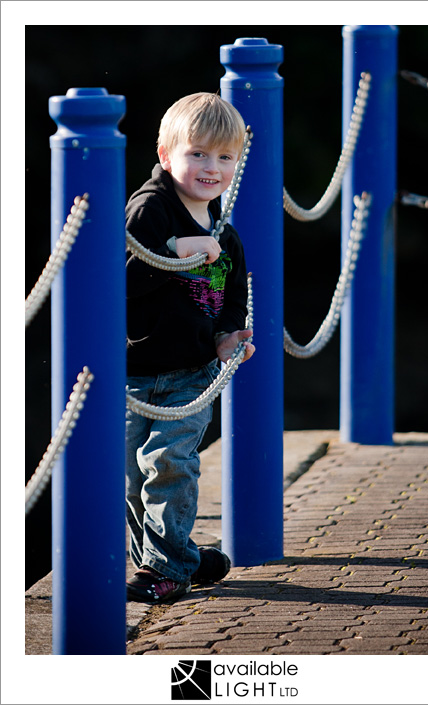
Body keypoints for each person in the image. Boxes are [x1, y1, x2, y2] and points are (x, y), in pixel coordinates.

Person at [125, 92, 255, 604]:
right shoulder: (150, 211)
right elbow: (117, 282)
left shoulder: (226, 232)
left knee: (170, 463)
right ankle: (183, 559)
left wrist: (227, 337)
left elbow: (230, 300)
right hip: (132, 371)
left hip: (190, 374)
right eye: (198, 153)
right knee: (130, 477)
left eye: (225, 157)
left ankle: (167, 571)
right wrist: (170, 252)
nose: (211, 167)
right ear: (165, 155)